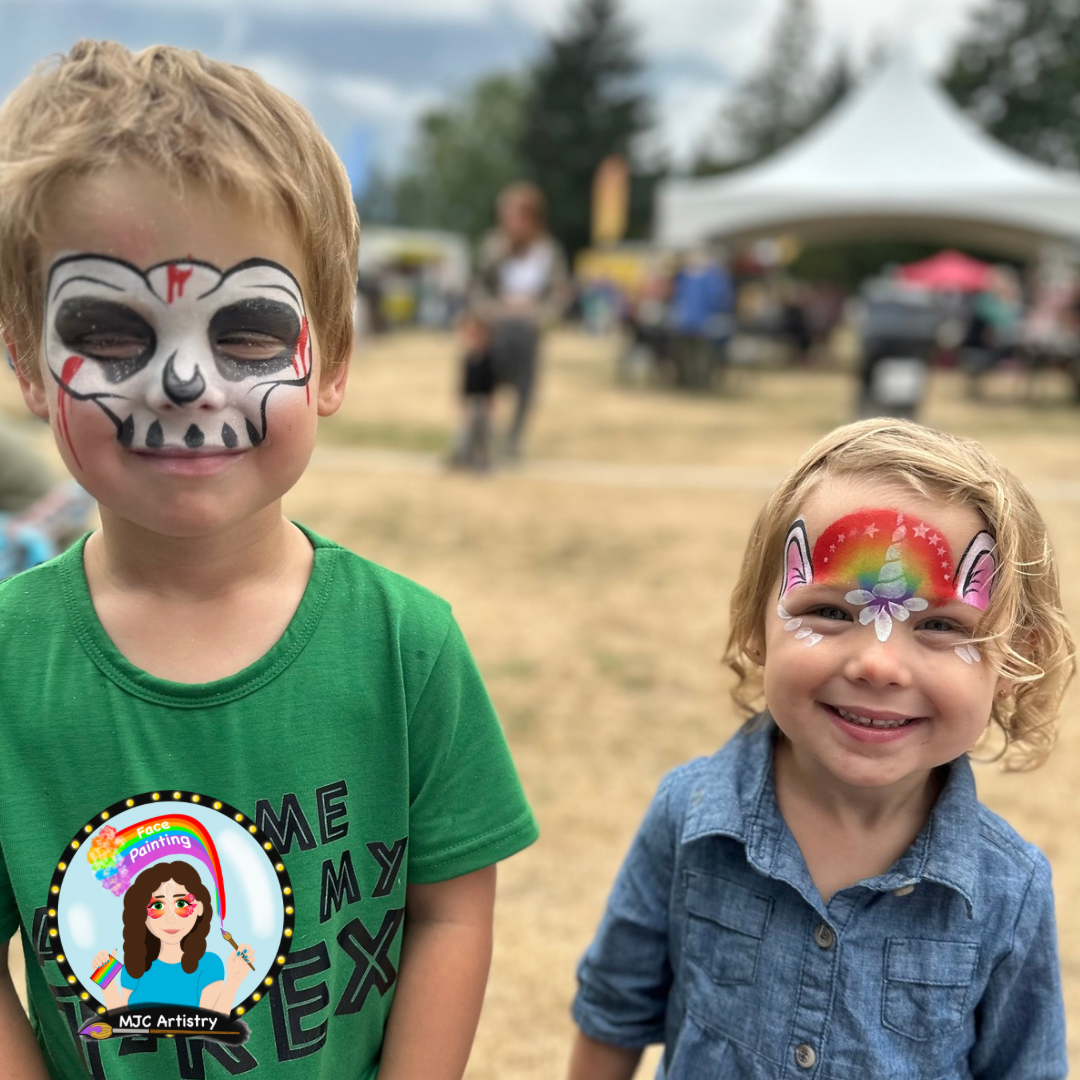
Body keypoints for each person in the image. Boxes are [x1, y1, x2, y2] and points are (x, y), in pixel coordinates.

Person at [0, 40, 538, 1080]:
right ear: (27, 358)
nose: (185, 378)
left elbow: (450, 915)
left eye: (248, 333)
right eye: (111, 328)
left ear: (330, 358)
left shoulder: (405, 646)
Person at [569, 417, 1073, 1079]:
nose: (879, 665)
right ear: (757, 623)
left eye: (944, 625)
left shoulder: (1009, 889)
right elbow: (613, 1013)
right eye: (832, 612)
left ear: (1013, 660)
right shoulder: (687, 816)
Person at [472, 182, 569, 459]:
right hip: (496, 328)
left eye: (513, 216)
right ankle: (482, 434)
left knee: (525, 386)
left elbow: (558, 296)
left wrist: (536, 315)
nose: (507, 223)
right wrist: (495, 311)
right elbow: (477, 289)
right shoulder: (493, 248)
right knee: (484, 382)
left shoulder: (548, 253)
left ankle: (513, 438)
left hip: (528, 331)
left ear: (530, 218)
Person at [91, 861, 250, 1015]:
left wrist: (234, 981)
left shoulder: (209, 965)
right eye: (157, 906)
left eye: (181, 904)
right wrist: (107, 981)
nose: (170, 919)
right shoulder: (134, 964)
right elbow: (123, 1024)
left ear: (199, 908)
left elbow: (211, 1025)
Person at [447, 308, 497, 472]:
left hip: (482, 398)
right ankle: (463, 457)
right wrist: (462, 399)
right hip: (471, 399)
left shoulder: (487, 356)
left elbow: (490, 381)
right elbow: (465, 382)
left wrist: (490, 400)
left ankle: (482, 460)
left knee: (482, 432)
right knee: (466, 430)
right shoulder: (469, 357)